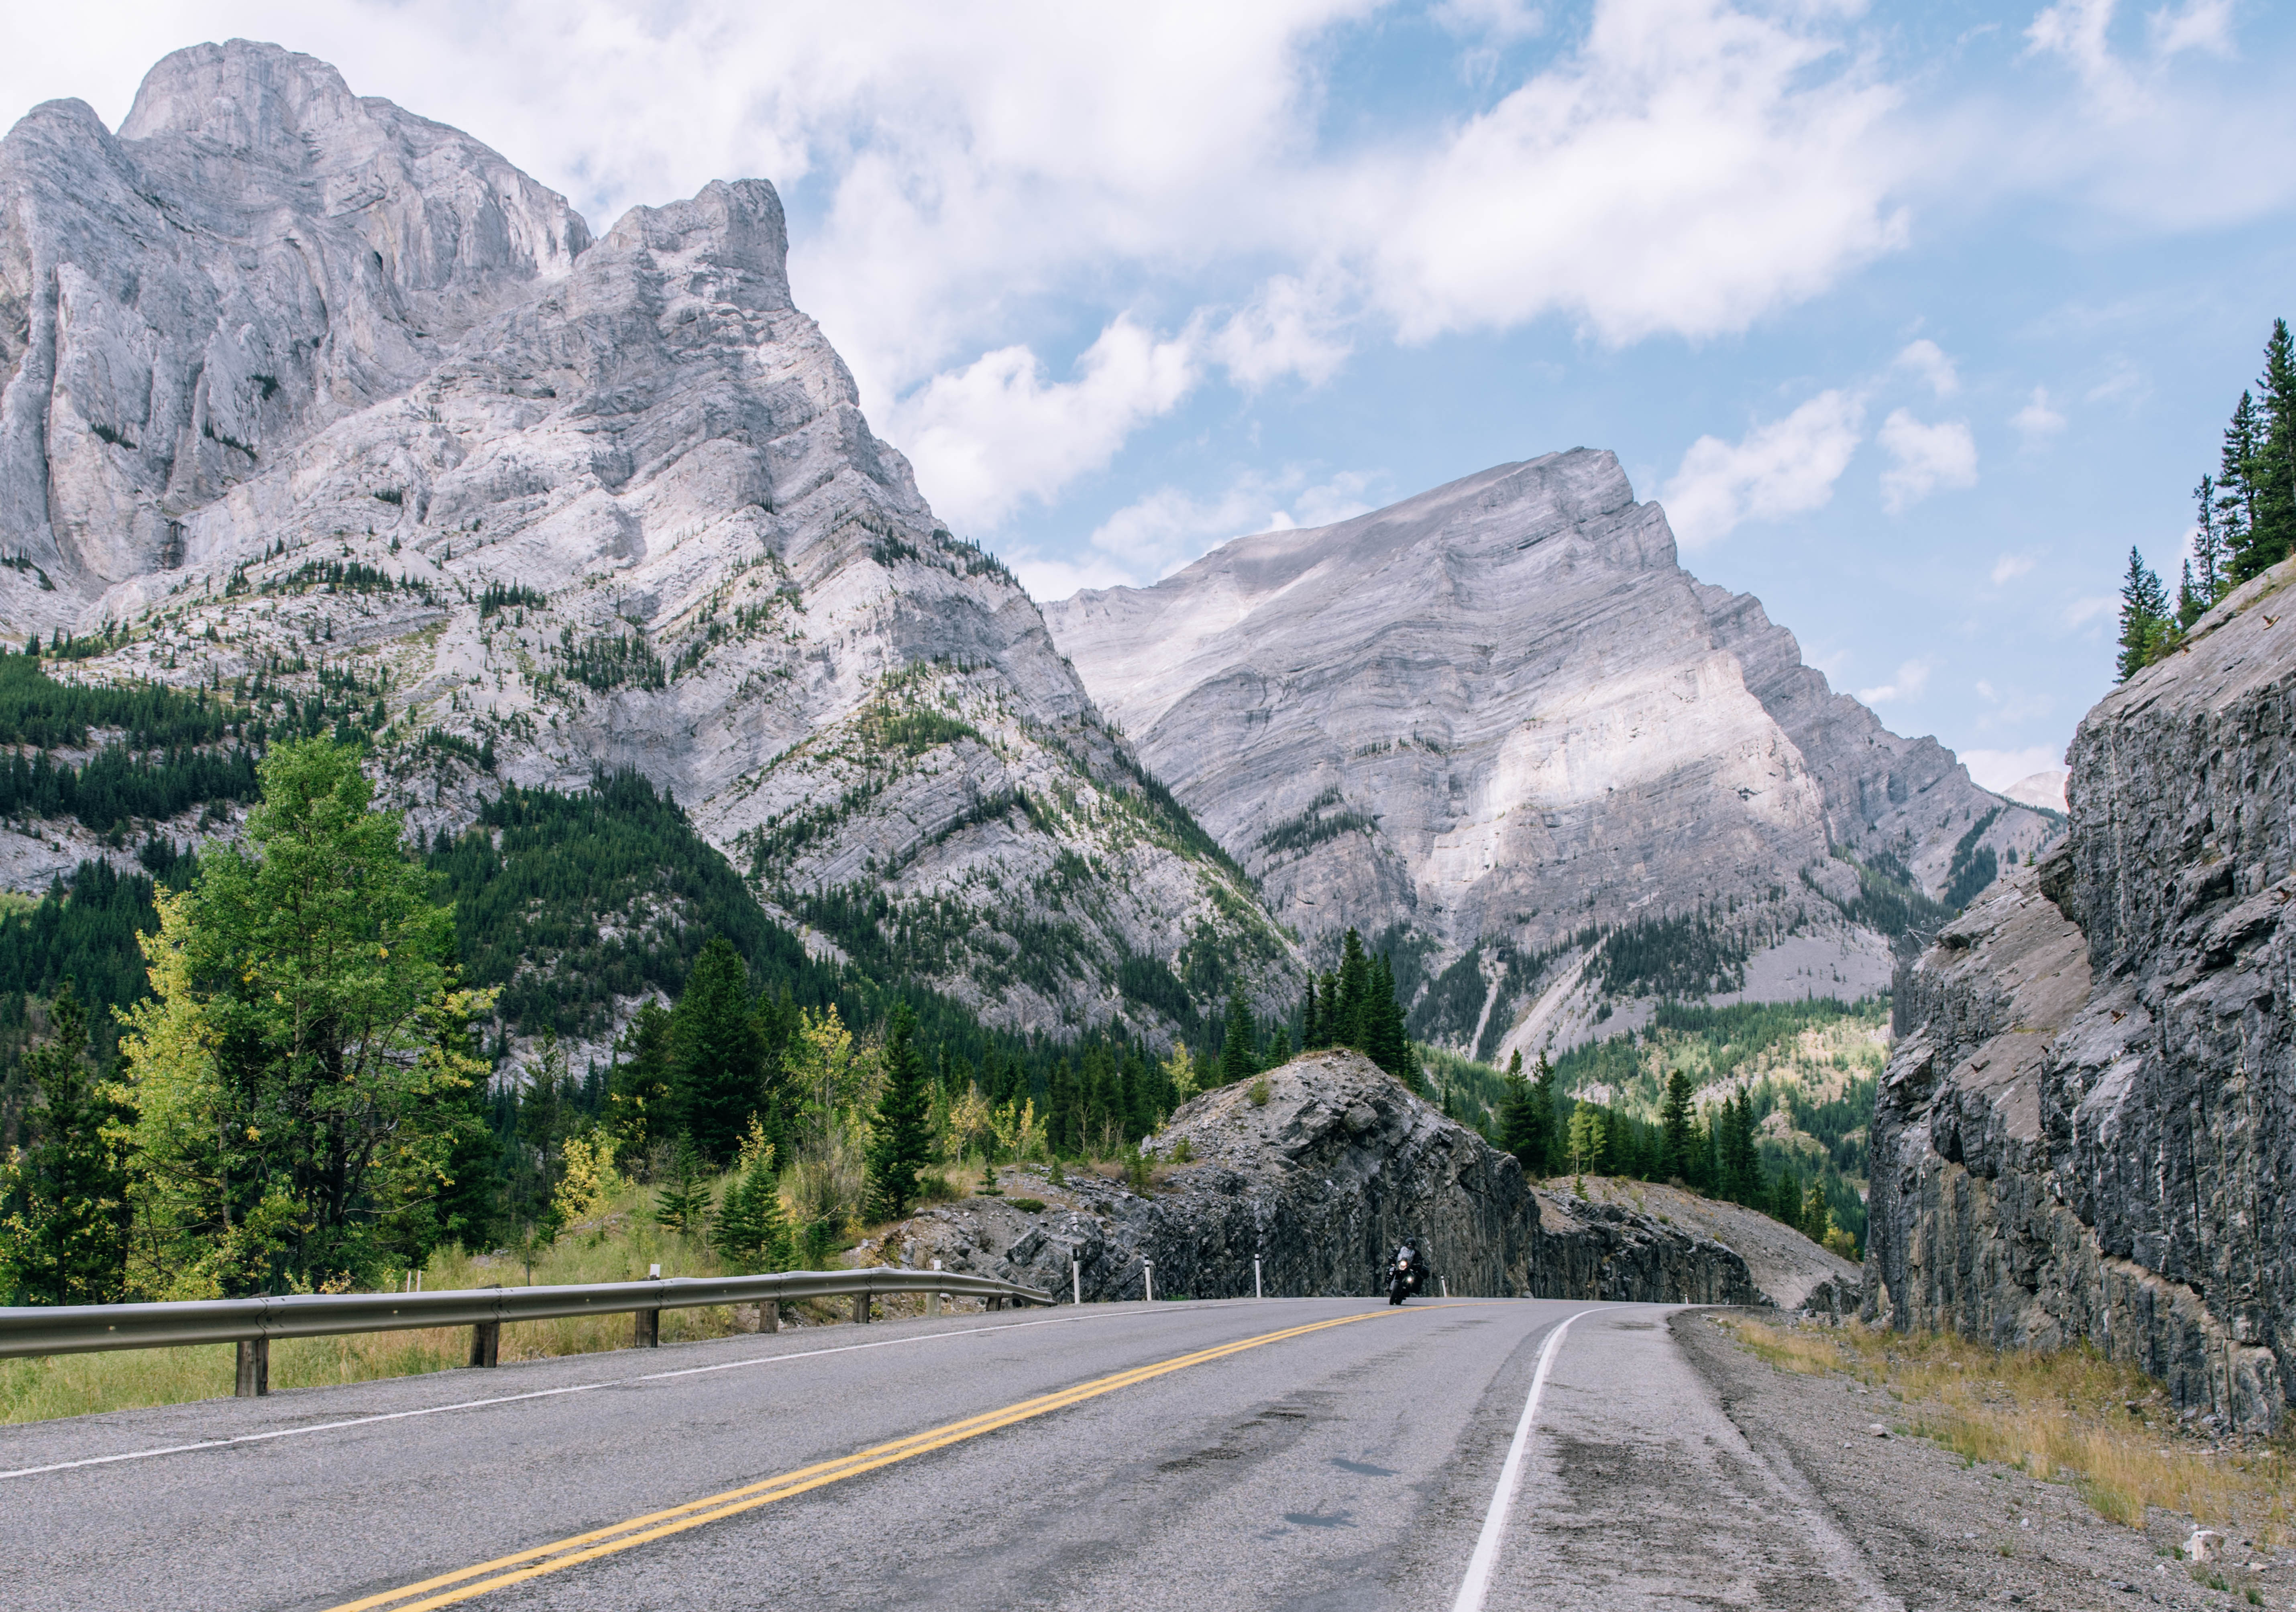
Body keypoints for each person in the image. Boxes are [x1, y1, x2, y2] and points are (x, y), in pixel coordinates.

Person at [1385, 1240, 1424, 1305]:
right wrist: (1392, 1256)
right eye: (1409, 1244)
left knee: (1412, 1278)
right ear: (1406, 1244)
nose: (1410, 1246)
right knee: (1391, 1270)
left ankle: (1407, 1289)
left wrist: (1419, 1263)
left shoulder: (1416, 1252)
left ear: (1414, 1245)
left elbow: (1419, 1258)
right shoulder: (1402, 1249)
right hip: (1400, 1264)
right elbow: (1397, 1253)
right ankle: (1388, 1284)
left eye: (1411, 1245)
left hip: (1408, 1267)